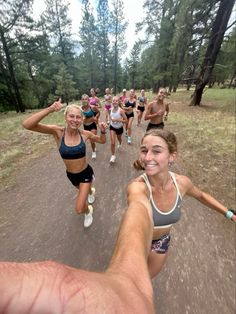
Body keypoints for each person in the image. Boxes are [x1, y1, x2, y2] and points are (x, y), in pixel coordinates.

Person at [0, 189, 155, 313]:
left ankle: (88, 207)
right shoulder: (58, 147)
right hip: (72, 176)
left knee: (79, 207)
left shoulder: (179, 183)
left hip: (84, 176)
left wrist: (138, 200)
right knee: (145, 276)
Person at [131, 129, 236, 278]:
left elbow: (202, 196)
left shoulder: (182, 183)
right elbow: (134, 209)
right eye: (144, 150)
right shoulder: (137, 187)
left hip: (161, 242)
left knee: (145, 281)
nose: (147, 157)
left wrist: (229, 214)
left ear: (172, 156)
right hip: (138, 241)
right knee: (132, 285)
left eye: (156, 151)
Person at [22, 100, 107, 228]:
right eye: (71, 116)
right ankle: (90, 190)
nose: (75, 119)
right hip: (71, 175)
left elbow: (102, 141)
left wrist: (103, 131)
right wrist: (50, 109)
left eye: (78, 117)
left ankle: (88, 211)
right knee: (85, 192)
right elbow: (27, 125)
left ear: (82, 119)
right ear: (65, 117)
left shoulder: (85, 134)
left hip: (85, 173)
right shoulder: (58, 132)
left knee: (79, 208)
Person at [81, 94, 100, 159]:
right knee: (90, 140)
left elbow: (98, 112)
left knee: (92, 139)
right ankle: (94, 146)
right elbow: (82, 121)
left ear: (88, 100)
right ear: (81, 100)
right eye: (83, 99)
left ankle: (93, 151)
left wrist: (96, 117)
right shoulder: (80, 109)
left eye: (85, 99)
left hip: (92, 125)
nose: (84, 100)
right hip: (85, 126)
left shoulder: (92, 107)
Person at [109, 96, 127, 163]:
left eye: (116, 101)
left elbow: (126, 121)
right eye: (113, 100)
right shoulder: (110, 109)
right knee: (113, 142)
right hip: (112, 127)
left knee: (119, 138)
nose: (115, 102)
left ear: (118, 102)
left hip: (119, 128)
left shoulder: (121, 110)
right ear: (112, 102)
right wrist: (110, 121)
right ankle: (113, 156)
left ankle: (120, 143)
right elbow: (111, 117)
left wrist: (117, 120)